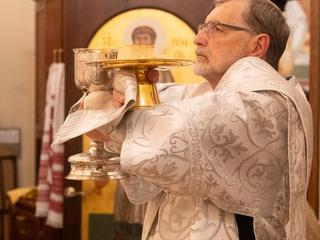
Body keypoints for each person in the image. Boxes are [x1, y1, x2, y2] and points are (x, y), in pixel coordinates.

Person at [85, 0, 312, 239]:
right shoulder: (205, 94)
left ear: (258, 46)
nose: (198, 38)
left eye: (216, 28)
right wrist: (125, 88)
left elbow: (168, 137)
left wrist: (118, 111)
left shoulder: (264, 102)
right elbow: (99, 117)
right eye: (203, 26)